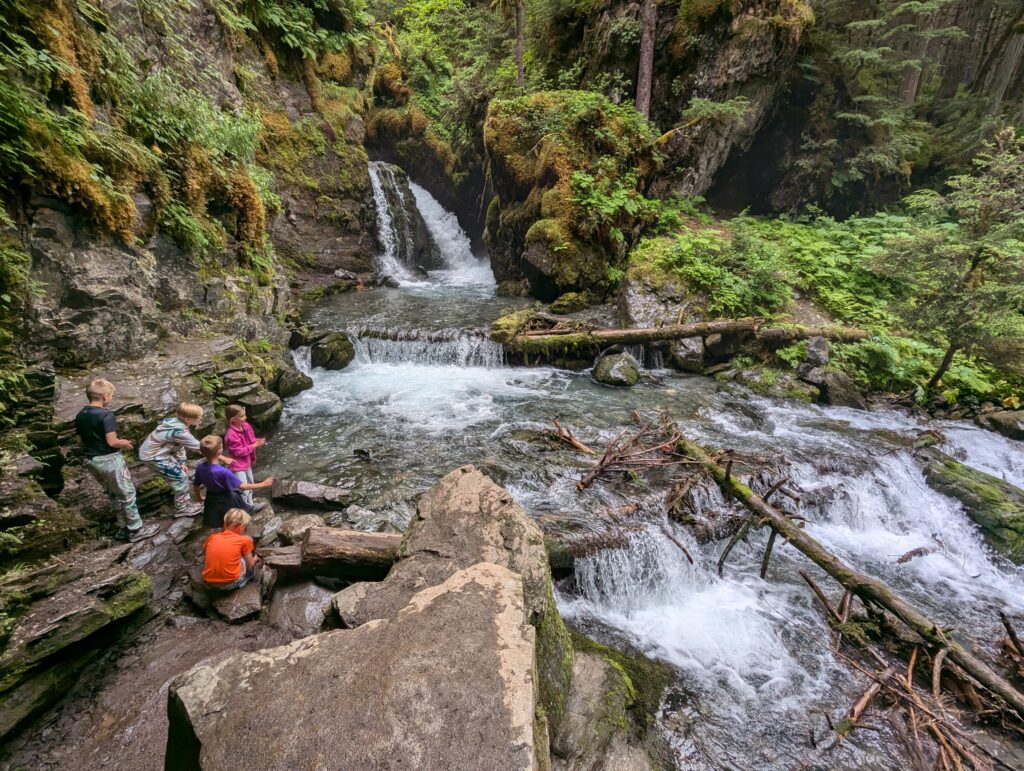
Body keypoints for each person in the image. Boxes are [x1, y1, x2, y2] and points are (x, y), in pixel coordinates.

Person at [74, 378, 160, 542]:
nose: (111, 398)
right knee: (127, 493)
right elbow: (112, 442)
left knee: (114, 494)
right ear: (105, 396)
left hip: (92, 460)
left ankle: (122, 528)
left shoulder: (81, 415)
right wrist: (124, 443)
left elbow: (80, 440)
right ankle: (136, 529)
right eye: (111, 395)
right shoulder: (106, 415)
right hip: (109, 459)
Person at [138, 402, 205, 518]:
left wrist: (181, 461)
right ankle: (182, 508)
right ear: (188, 419)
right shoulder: (179, 432)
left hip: (159, 454)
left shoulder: (174, 423)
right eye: (198, 417)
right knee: (180, 477)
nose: (200, 418)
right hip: (153, 457)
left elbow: (178, 445)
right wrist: (218, 453)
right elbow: (199, 448)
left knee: (181, 473)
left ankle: (185, 500)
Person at [194, 434, 273, 529]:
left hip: (212, 497)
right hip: (228, 497)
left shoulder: (199, 467)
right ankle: (250, 510)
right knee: (240, 509)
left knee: (219, 518)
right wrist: (263, 484)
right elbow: (242, 486)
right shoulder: (223, 472)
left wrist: (200, 497)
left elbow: (196, 485)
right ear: (220, 451)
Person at [223, 404, 268, 511]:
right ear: (233, 419)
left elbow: (251, 438)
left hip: (247, 462)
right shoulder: (231, 435)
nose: (245, 418)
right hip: (237, 464)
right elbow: (238, 452)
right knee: (243, 487)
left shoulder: (246, 426)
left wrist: (256, 441)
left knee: (250, 483)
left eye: (245, 415)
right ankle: (243, 509)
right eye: (242, 416)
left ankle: (250, 505)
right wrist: (253, 446)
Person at [202, 508, 260, 590]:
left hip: (209, 581)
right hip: (230, 583)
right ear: (241, 527)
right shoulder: (245, 540)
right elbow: (250, 564)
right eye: (245, 527)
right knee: (251, 567)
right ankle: (244, 580)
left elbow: (206, 553)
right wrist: (255, 559)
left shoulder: (212, 537)